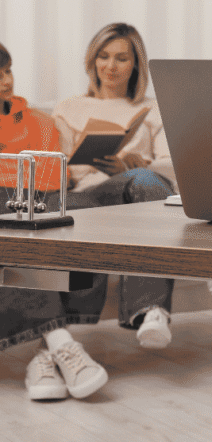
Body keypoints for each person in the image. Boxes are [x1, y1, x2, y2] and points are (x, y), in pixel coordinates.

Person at [51, 23, 178, 350]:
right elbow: (54, 170)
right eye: (103, 57)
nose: (111, 66)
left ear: (136, 63)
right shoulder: (68, 108)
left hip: (137, 194)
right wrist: (81, 160)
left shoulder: (151, 108)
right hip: (88, 195)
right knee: (71, 204)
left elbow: (170, 165)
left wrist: (132, 163)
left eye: (122, 58)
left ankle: (151, 311)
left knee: (149, 181)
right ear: (92, 61)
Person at [0, 40, 110, 401]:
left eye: (7, 70)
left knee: (87, 208)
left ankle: (46, 352)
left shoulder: (40, 121)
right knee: (14, 219)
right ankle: (60, 343)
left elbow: (55, 174)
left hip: (44, 196)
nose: (5, 81)